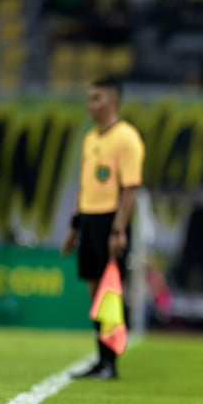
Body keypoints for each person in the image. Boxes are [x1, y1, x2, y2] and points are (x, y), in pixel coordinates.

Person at [63, 78, 145, 380]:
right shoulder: (91, 138)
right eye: (88, 98)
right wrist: (74, 228)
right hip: (89, 219)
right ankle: (101, 360)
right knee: (95, 291)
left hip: (111, 220)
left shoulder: (127, 138)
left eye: (96, 98)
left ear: (113, 101)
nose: (90, 104)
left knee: (110, 292)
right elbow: (85, 187)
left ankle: (110, 362)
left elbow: (130, 188)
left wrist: (118, 230)